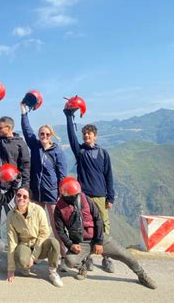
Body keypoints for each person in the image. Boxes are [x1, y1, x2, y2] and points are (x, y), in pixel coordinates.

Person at [54, 177, 157, 289]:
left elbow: (98, 219)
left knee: (125, 255)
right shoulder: (59, 209)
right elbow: (60, 231)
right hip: (81, 242)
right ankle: (82, 267)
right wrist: (70, 245)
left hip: (98, 237)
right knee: (69, 260)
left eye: (77, 194)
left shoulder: (86, 199)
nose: (76, 197)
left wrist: (99, 241)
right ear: (65, 195)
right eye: (73, 195)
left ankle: (141, 275)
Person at [64, 108, 115, 272]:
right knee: (85, 226)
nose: (86, 136)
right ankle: (88, 258)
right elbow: (72, 137)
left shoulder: (103, 153)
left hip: (100, 196)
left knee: (104, 226)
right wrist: (68, 116)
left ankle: (107, 257)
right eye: (85, 134)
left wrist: (110, 197)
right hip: (84, 196)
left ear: (95, 136)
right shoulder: (80, 152)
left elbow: (109, 176)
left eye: (89, 134)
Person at [20, 103, 68, 268]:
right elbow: (27, 131)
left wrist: (62, 193)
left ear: (51, 136)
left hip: (52, 193)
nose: (44, 136)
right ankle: (37, 254)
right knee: (36, 225)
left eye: (47, 134)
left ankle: (62, 256)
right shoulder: (35, 147)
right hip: (36, 192)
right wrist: (24, 113)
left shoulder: (57, 152)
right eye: (42, 134)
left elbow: (62, 175)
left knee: (56, 226)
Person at [0, 95, 30, 236]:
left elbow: (26, 165)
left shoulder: (20, 143)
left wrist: (25, 186)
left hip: (11, 187)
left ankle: (23, 246)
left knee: (16, 215)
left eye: (0, 127)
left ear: (9, 128)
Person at [6, 186, 63, 287]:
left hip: (39, 243)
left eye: (25, 196)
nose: (21, 198)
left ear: (28, 200)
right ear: (15, 197)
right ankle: (25, 266)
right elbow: (12, 242)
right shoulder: (11, 215)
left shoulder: (38, 210)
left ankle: (53, 272)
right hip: (24, 244)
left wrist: (34, 256)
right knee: (22, 260)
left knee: (54, 243)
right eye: (18, 195)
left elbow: (44, 233)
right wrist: (11, 269)